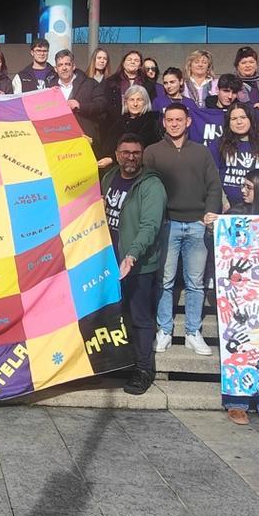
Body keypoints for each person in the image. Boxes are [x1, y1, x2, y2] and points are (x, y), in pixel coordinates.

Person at [203, 168, 259, 430]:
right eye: (243, 186)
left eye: (249, 187)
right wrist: (213, 227)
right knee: (240, 344)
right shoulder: (235, 213)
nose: (242, 191)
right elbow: (219, 246)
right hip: (240, 296)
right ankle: (237, 400)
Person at [145, 104, 222, 357]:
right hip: (168, 224)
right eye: (170, 120)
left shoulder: (202, 152)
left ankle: (192, 332)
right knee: (165, 281)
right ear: (164, 122)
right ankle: (164, 330)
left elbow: (214, 186)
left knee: (195, 283)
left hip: (197, 225)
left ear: (188, 121)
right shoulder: (152, 152)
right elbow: (147, 188)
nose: (174, 124)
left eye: (179, 119)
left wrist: (209, 213)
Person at [101, 134, 167, 396]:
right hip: (110, 262)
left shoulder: (152, 186)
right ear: (117, 154)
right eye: (125, 152)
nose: (130, 157)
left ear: (142, 155)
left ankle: (143, 370)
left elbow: (150, 226)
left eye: (136, 153)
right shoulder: (109, 178)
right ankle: (119, 363)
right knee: (115, 316)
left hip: (138, 265)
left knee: (140, 319)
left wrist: (132, 255)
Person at [211, 104, 259, 205]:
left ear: (251, 120)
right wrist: (222, 201)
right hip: (227, 206)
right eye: (234, 119)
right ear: (228, 122)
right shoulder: (218, 144)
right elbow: (212, 176)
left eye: (243, 117)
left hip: (258, 206)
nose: (239, 122)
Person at [98, 85, 162, 169]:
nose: (135, 104)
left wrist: (112, 159)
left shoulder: (151, 122)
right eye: (131, 100)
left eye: (139, 100)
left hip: (140, 168)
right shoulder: (120, 121)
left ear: (145, 102)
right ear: (126, 102)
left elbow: (139, 149)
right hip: (117, 167)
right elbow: (107, 146)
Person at [53, 49, 107, 141]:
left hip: (84, 138)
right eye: (60, 65)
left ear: (73, 66)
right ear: (55, 69)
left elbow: (102, 105)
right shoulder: (50, 88)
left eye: (67, 64)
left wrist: (80, 106)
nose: (64, 68)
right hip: (59, 138)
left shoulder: (90, 83)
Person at [104, 50, 154, 116]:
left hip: (141, 119)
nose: (132, 62)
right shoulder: (111, 82)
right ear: (123, 63)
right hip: (116, 119)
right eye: (129, 60)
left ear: (140, 65)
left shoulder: (148, 84)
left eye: (136, 60)